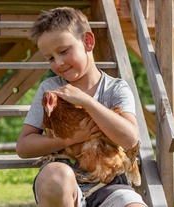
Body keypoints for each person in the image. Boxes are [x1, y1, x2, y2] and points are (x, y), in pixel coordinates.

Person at [16, 7, 147, 207]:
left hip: (109, 184)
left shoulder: (115, 89)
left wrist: (86, 101)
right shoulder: (50, 89)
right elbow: (24, 147)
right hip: (64, 183)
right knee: (54, 175)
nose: (58, 63)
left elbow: (130, 139)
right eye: (50, 58)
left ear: (87, 42)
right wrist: (73, 137)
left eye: (63, 51)